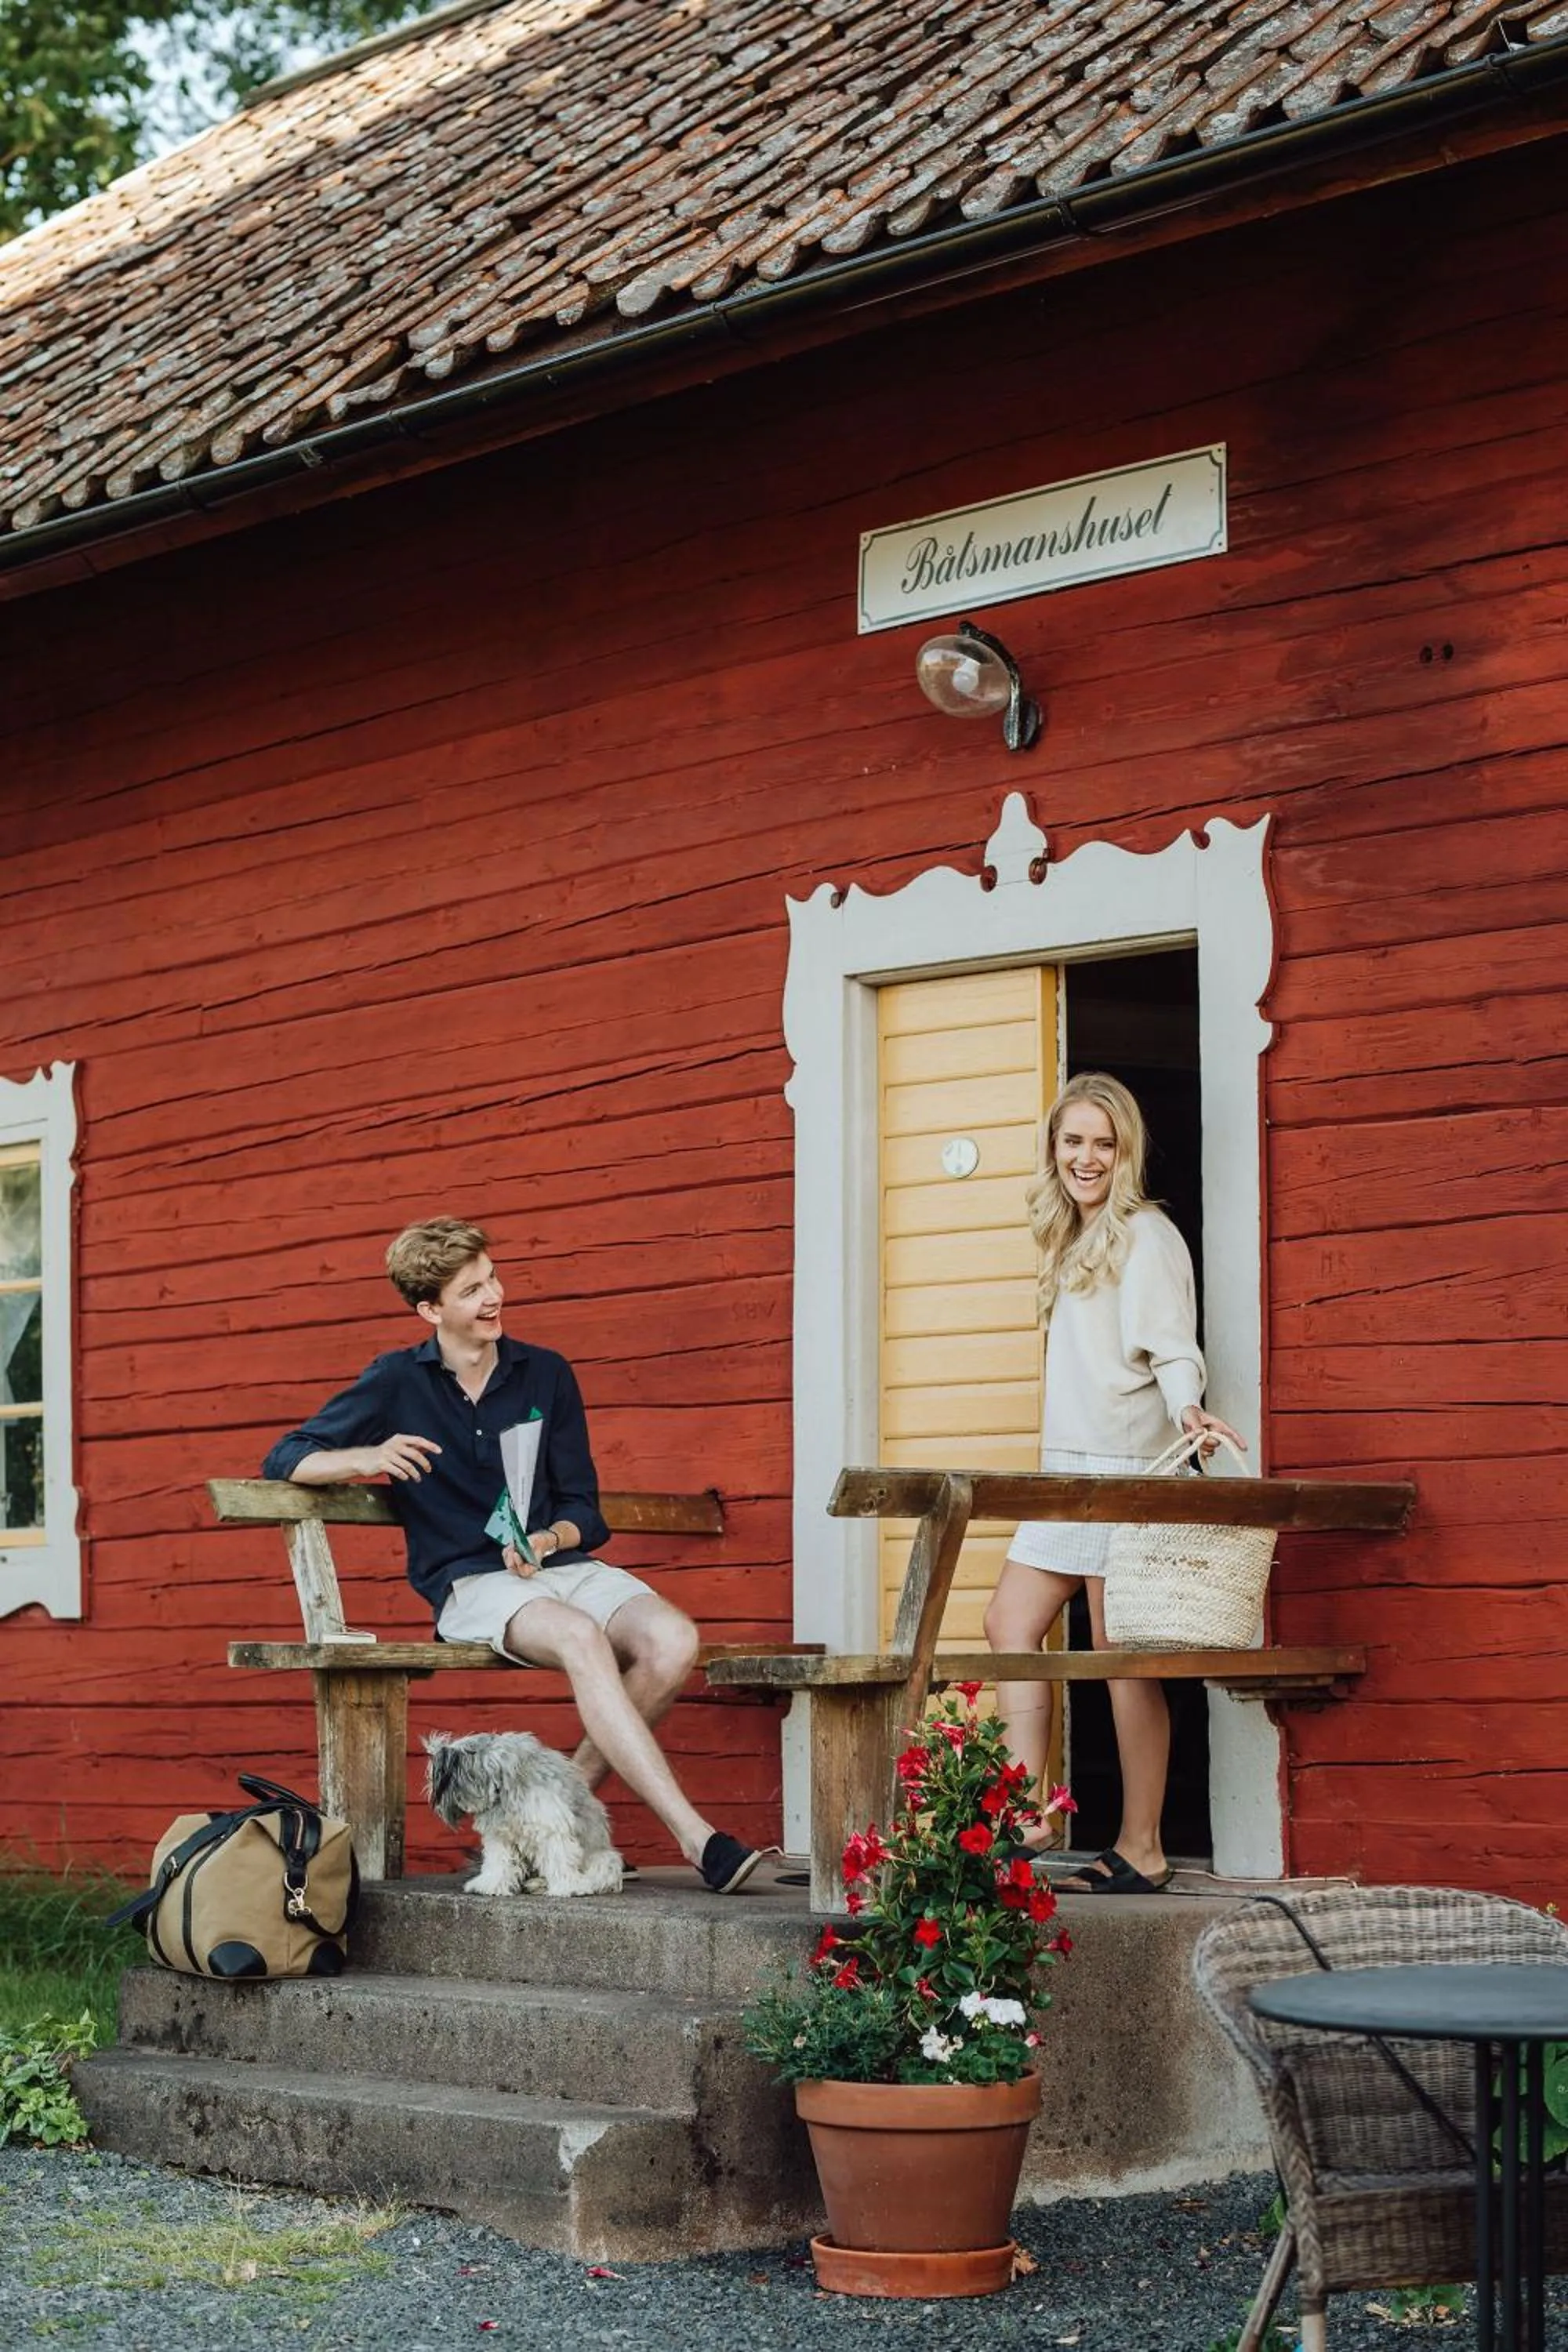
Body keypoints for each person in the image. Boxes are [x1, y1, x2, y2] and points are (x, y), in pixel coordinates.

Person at [261, 1216, 764, 1895]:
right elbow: (284, 1456)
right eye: (471, 1290)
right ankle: (699, 1839)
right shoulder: (393, 1383)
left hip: (555, 1567)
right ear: (430, 1308)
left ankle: (560, 1800)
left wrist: (550, 1539)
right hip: (472, 1584)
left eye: (492, 1277)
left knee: (674, 1640)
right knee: (583, 1638)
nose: (493, 1296)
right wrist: (367, 1456)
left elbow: (584, 1507)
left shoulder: (545, 1374)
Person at [983, 1073, 1243, 1896]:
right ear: (1052, 1149)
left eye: (1102, 1142)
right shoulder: (1071, 1236)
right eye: (1071, 1141)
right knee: (1007, 1623)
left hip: (1124, 1475)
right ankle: (1030, 1819)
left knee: (1121, 1659)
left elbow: (1171, 1345)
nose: (1085, 1158)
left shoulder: (1144, 1235)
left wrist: (1190, 1408)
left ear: (1123, 1152)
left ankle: (1141, 1846)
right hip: (1067, 1474)